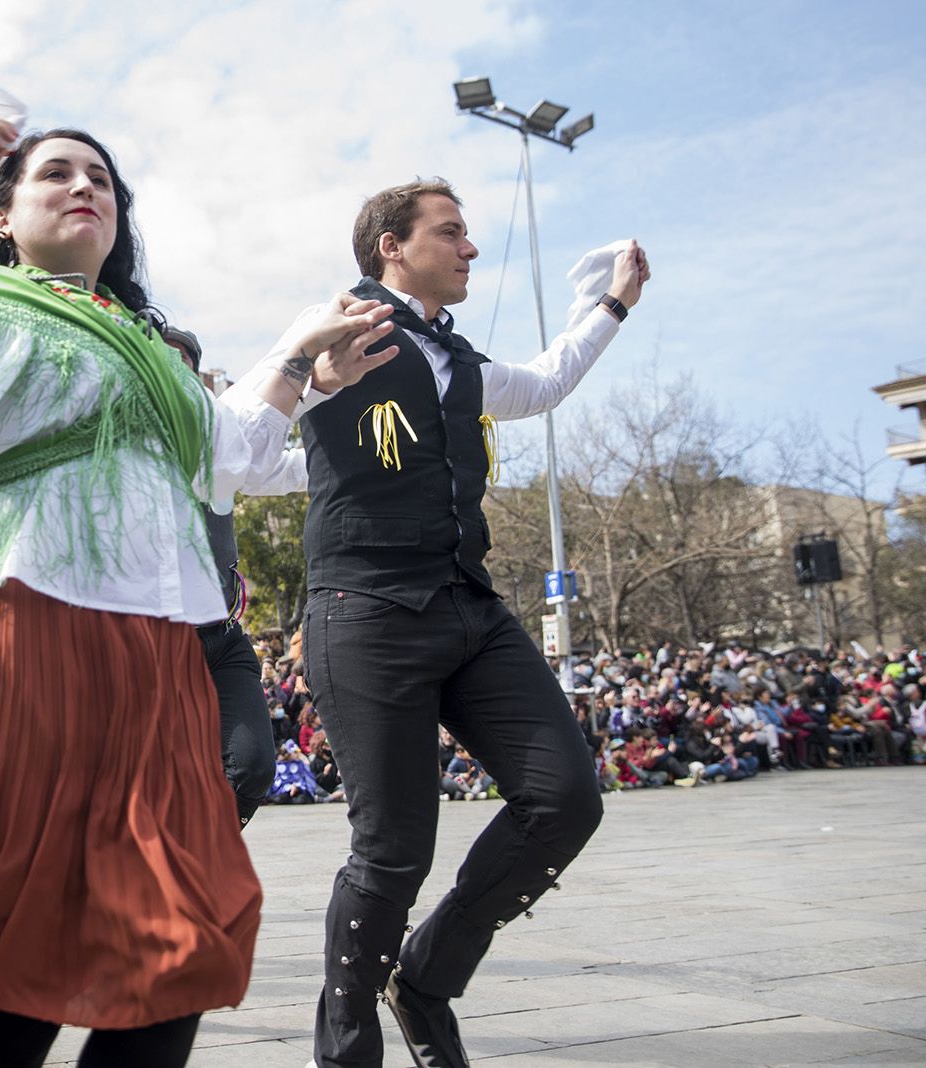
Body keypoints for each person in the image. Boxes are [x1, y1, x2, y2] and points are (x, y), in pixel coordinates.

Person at [0, 117, 395, 1068]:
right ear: (3, 213)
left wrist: (303, 370)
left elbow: (227, 452)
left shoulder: (149, 347)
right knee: (39, 952)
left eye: (103, 179)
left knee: (186, 932)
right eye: (54, 174)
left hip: (156, 645)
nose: (86, 187)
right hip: (24, 620)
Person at [294, 179, 649, 1068]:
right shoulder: (332, 328)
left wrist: (610, 305)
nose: (470, 248)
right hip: (364, 608)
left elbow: (546, 381)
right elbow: (248, 426)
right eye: (451, 232)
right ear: (390, 246)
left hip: (466, 604)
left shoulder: (459, 362)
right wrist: (302, 371)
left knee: (565, 797)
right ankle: (345, 1049)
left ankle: (425, 978)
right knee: (393, 850)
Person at [166, 324, 307, 827]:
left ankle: (199, 862)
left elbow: (280, 467)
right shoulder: (123, 446)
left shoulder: (218, 442)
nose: (174, 377)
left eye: (184, 368)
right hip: (150, 646)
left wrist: (359, 464)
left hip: (222, 640)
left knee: (249, 768)